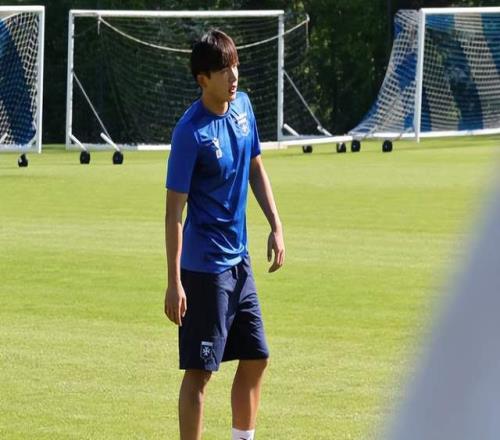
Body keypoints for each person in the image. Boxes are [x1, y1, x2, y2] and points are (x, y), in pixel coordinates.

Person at [164, 29, 285, 440]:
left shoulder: (243, 107)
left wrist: (276, 224)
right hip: (204, 270)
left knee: (256, 357)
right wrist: (174, 282)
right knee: (200, 373)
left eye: (235, 65)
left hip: (240, 262)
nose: (233, 76)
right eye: (223, 70)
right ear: (203, 79)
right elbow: (173, 212)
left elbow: (255, 166)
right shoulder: (190, 133)